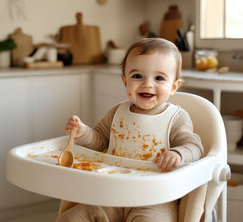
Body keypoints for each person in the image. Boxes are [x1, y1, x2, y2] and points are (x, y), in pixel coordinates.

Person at [56, 38, 204, 222]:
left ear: (174, 86)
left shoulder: (176, 118)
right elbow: (101, 141)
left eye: (159, 78)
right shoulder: (117, 113)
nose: (147, 84)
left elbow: (195, 147)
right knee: (71, 219)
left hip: (155, 199)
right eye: (137, 76)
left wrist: (178, 154)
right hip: (111, 193)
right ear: (125, 81)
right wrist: (83, 133)